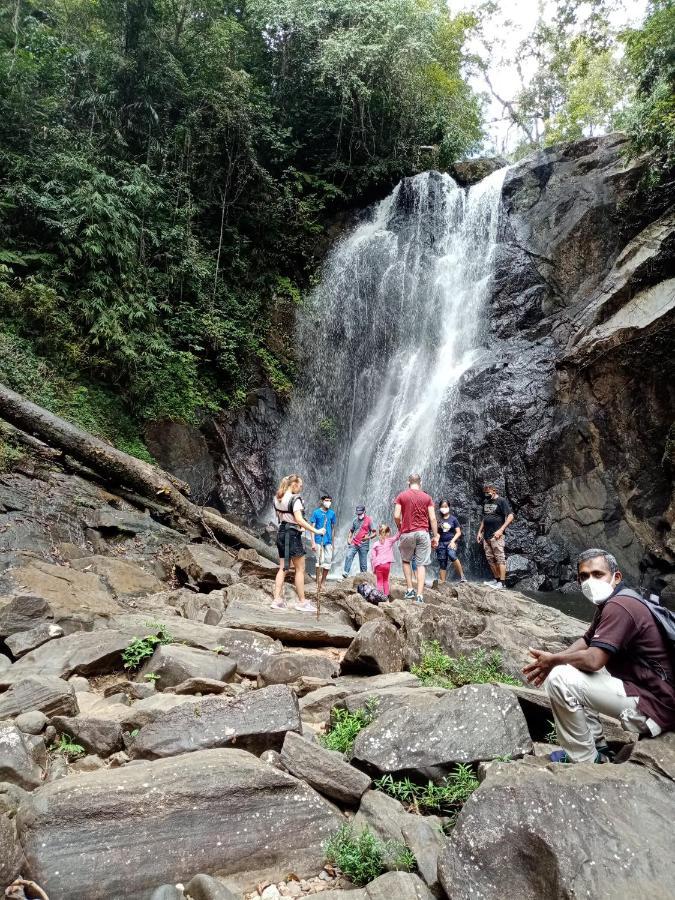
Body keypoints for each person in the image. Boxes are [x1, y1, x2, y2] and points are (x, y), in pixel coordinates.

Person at [523, 548, 675, 764]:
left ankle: (584, 760)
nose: (590, 581)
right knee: (573, 665)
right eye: (584, 576)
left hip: (656, 705)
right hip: (652, 695)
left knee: (560, 678)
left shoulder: (620, 606)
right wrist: (557, 656)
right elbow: (586, 641)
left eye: (597, 574)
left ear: (616, 576)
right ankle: (599, 747)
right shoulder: (617, 600)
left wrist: (554, 661)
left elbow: (594, 660)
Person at [271, 474, 325, 613]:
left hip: (281, 533)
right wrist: (316, 531)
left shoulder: (277, 498)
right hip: (292, 536)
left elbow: (282, 517)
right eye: (300, 485)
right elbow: (299, 520)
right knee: (300, 569)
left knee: (283, 567)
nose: (301, 488)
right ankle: (302, 602)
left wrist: (294, 523)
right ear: (293, 485)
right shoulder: (296, 499)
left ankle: (276, 600)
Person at [394, 474, 439, 604]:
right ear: (421, 483)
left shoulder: (401, 496)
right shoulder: (427, 497)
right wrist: (435, 536)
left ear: (408, 482)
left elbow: (396, 515)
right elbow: (433, 519)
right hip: (423, 533)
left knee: (406, 561)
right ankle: (419, 595)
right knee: (421, 564)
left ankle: (409, 589)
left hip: (407, 532)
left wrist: (400, 527)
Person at [476, 483, 514, 590]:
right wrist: (480, 532)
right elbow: (485, 518)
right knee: (490, 559)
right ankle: (496, 579)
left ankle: (502, 583)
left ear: (494, 491)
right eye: (485, 493)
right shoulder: (486, 502)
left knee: (500, 558)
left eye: (488, 492)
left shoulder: (501, 501)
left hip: (496, 535)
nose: (486, 494)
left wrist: (501, 530)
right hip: (486, 535)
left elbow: (510, 516)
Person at [309, 494, 336, 592]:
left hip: (328, 541)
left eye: (330, 500)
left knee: (328, 561)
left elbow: (333, 528)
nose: (328, 502)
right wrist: (312, 542)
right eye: (327, 500)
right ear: (322, 501)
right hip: (318, 540)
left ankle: (323, 582)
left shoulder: (332, 513)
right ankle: (317, 583)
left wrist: (333, 543)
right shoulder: (316, 513)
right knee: (319, 561)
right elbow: (312, 528)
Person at [436, 500, 467, 584]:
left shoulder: (453, 519)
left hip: (451, 541)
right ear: (439, 508)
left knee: (452, 555)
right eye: (442, 506)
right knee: (442, 562)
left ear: (449, 507)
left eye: (446, 506)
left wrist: (453, 541)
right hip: (441, 543)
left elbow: (458, 532)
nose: (444, 508)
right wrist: (436, 540)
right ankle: (442, 582)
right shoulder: (438, 520)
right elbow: (438, 533)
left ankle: (462, 577)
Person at [342, 505, 376, 578]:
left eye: (360, 513)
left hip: (364, 544)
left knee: (363, 564)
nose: (359, 515)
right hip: (354, 542)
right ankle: (345, 573)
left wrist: (368, 537)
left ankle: (364, 579)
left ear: (364, 511)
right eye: (358, 514)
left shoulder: (369, 520)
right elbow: (351, 530)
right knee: (349, 555)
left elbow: (374, 533)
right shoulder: (355, 520)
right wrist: (348, 538)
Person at [370, 524, 400, 597]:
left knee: (379, 582)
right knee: (386, 580)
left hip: (378, 565)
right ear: (387, 533)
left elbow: (372, 557)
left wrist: (373, 568)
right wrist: (400, 527)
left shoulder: (375, 544)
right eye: (389, 532)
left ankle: (379, 596)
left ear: (379, 533)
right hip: (387, 565)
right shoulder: (389, 541)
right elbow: (397, 536)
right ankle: (386, 596)